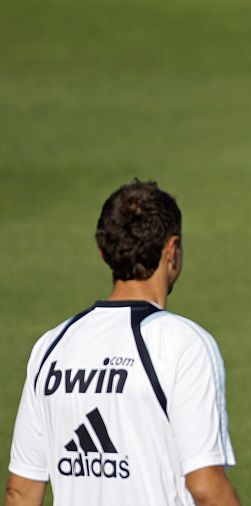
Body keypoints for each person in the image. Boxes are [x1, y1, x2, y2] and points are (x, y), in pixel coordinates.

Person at [5, 181, 239, 506]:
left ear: (104, 252)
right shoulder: (183, 343)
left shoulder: (51, 346)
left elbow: (20, 493)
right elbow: (205, 488)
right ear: (171, 250)